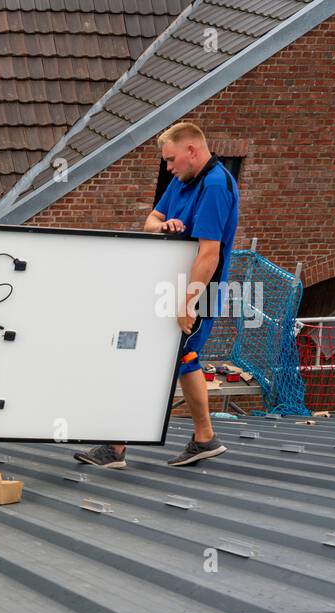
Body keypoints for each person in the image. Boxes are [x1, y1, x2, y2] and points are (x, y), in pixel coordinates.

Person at [74, 121, 239, 469]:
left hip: (198, 292)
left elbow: (210, 253)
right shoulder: (182, 181)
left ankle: (117, 446)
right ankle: (203, 437)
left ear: (191, 151)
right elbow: (150, 220)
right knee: (180, 358)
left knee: (165, 357)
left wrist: (188, 303)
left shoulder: (214, 185)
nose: (168, 167)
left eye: (171, 159)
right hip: (167, 287)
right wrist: (162, 226)